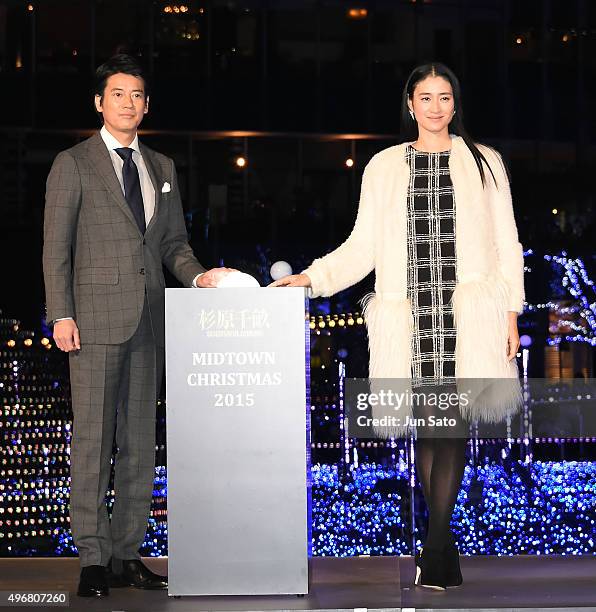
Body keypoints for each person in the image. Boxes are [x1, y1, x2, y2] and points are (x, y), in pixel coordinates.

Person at [270, 62, 525, 589]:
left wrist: (511, 312)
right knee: (429, 431)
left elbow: (507, 242)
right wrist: (312, 279)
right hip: (413, 318)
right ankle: (441, 545)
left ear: (456, 103)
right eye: (426, 98)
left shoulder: (484, 162)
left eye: (445, 97)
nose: (436, 107)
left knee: (451, 428)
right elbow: (362, 245)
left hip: (466, 316)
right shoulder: (384, 166)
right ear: (410, 104)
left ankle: (434, 546)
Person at [42, 54, 233, 598]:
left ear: (147, 105)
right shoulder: (73, 163)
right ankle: (91, 560)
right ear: (100, 102)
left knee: (140, 445)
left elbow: (173, 245)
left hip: (151, 321)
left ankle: (127, 554)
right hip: (94, 321)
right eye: (119, 94)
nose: (130, 103)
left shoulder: (162, 168)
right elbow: (55, 248)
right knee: (93, 442)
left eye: (139, 95)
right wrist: (61, 313)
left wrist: (198, 279)